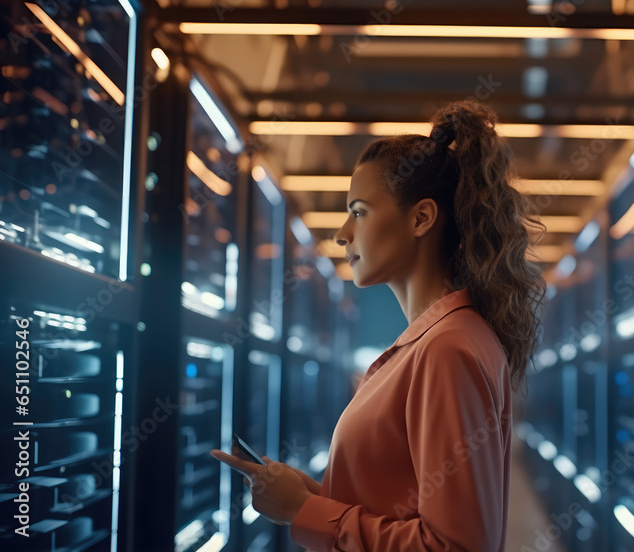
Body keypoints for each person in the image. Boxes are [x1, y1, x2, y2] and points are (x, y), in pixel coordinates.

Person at [211, 101, 546, 551]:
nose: (342, 233)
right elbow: (395, 506)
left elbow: (457, 546)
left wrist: (304, 512)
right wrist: (310, 496)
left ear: (421, 218)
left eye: (360, 211)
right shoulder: (434, 342)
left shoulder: (447, 350)